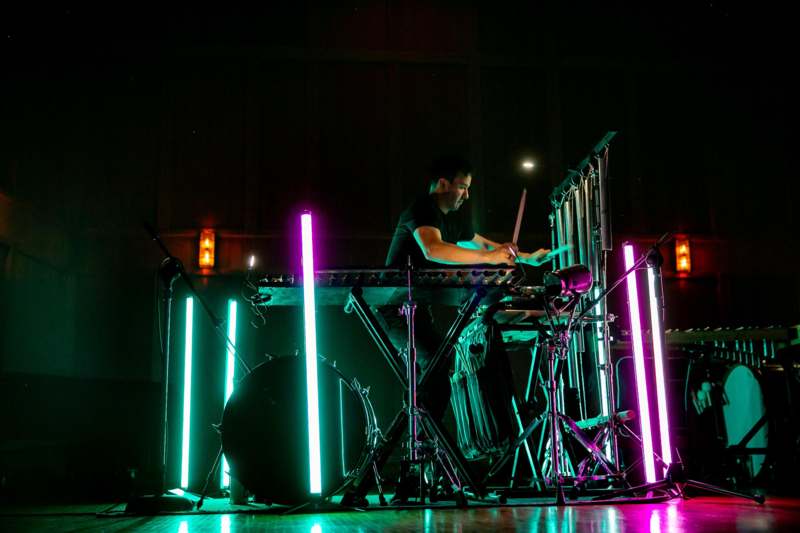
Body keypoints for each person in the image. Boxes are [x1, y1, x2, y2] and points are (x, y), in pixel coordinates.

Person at [381, 155, 550, 421]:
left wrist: (527, 257)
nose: (467, 195)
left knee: (435, 368)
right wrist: (489, 259)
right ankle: (424, 441)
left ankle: (424, 441)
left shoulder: (453, 219)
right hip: (393, 307)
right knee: (434, 367)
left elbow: (483, 245)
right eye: (463, 187)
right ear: (443, 184)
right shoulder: (422, 209)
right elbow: (433, 248)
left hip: (416, 307)